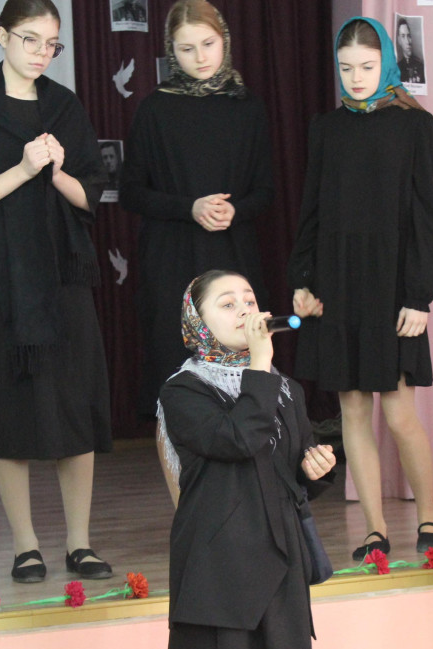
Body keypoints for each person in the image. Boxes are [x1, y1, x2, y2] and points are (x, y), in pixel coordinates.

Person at [0, 0, 113, 582]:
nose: (42, 53)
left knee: (75, 406)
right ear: (0, 35)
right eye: (30, 39)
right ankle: (25, 545)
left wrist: (59, 172)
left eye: (51, 43)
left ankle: (80, 543)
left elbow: (92, 196)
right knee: (12, 410)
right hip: (3, 277)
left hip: (64, 276)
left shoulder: (65, 105)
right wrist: (21, 170)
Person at [287, 16, 433, 561]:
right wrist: (302, 281)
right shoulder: (326, 128)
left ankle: (429, 517)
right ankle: (374, 530)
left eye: (368, 66)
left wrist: (420, 296)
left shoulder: (416, 127)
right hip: (337, 283)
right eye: (347, 67)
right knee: (353, 413)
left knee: (399, 413)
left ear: (387, 65)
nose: (356, 77)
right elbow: (311, 211)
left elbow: (426, 218)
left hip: (392, 286)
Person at [121, 0, 273, 504]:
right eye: (186, 49)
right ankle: (185, 508)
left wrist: (237, 210)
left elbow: (267, 191)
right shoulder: (155, 108)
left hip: (233, 257)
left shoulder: (247, 107)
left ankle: (246, 503)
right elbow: (131, 192)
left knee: (242, 372)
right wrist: (188, 207)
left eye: (208, 44)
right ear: (171, 52)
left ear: (224, 40)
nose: (200, 57)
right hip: (171, 261)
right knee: (175, 380)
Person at [158, 270, 337, 649]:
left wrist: (314, 468)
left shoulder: (285, 388)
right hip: (221, 567)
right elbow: (238, 440)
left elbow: (287, 469)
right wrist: (260, 362)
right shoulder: (183, 390)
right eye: (227, 303)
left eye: (250, 300)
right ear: (198, 322)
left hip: (281, 560)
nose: (244, 310)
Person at [396, 18, 424, 84]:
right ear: (399, 40)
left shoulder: (420, 66)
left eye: (408, 36)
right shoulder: (397, 67)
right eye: (403, 36)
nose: (407, 41)